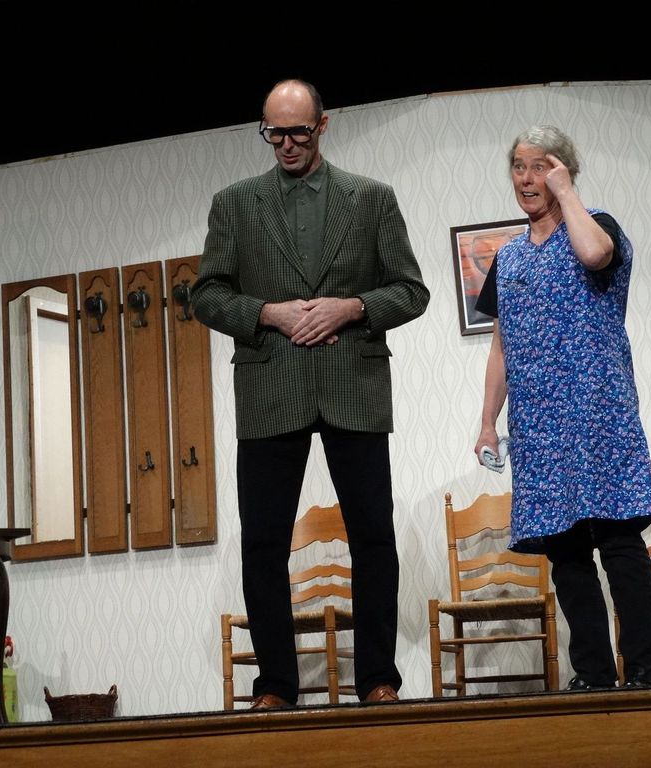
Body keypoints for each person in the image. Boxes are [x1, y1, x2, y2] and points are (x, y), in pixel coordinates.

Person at [191, 79, 429, 709]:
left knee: (373, 537)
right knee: (263, 544)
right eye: (274, 133)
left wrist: (351, 307)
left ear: (323, 125)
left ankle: (377, 679)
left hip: (354, 385)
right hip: (271, 389)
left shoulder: (371, 199)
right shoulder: (234, 204)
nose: (286, 144)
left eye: (298, 131)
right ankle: (275, 685)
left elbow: (412, 291)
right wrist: (267, 313)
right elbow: (206, 295)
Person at [474, 125, 651, 689]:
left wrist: (567, 193)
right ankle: (594, 673)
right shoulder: (509, 258)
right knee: (566, 552)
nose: (526, 178)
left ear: (564, 171)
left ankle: (646, 671)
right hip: (538, 426)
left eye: (541, 166)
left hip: (599, 413)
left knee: (619, 540)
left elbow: (595, 254)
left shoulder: (597, 225)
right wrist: (486, 422)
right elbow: (501, 345)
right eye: (519, 166)